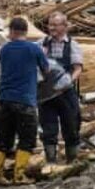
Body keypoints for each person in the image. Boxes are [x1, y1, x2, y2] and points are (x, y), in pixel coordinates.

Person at [0, 17, 49, 185]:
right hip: (25, 101)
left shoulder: (4, 50)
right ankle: (19, 175)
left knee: (3, 139)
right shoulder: (34, 49)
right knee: (27, 139)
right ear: (25, 31)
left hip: (4, 100)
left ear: (13, 31)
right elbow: (46, 70)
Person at [38, 12, 84, 164]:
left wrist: (68, 81)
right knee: (48, 127)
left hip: (65, 92)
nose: (52, 28)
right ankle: (50, 161)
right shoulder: (41, 43)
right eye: (50, 25)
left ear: (65, 26)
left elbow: (78, 68)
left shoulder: (73, 45)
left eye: (55, 25)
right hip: (46, 94)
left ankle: (72, 160)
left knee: (71, 125)